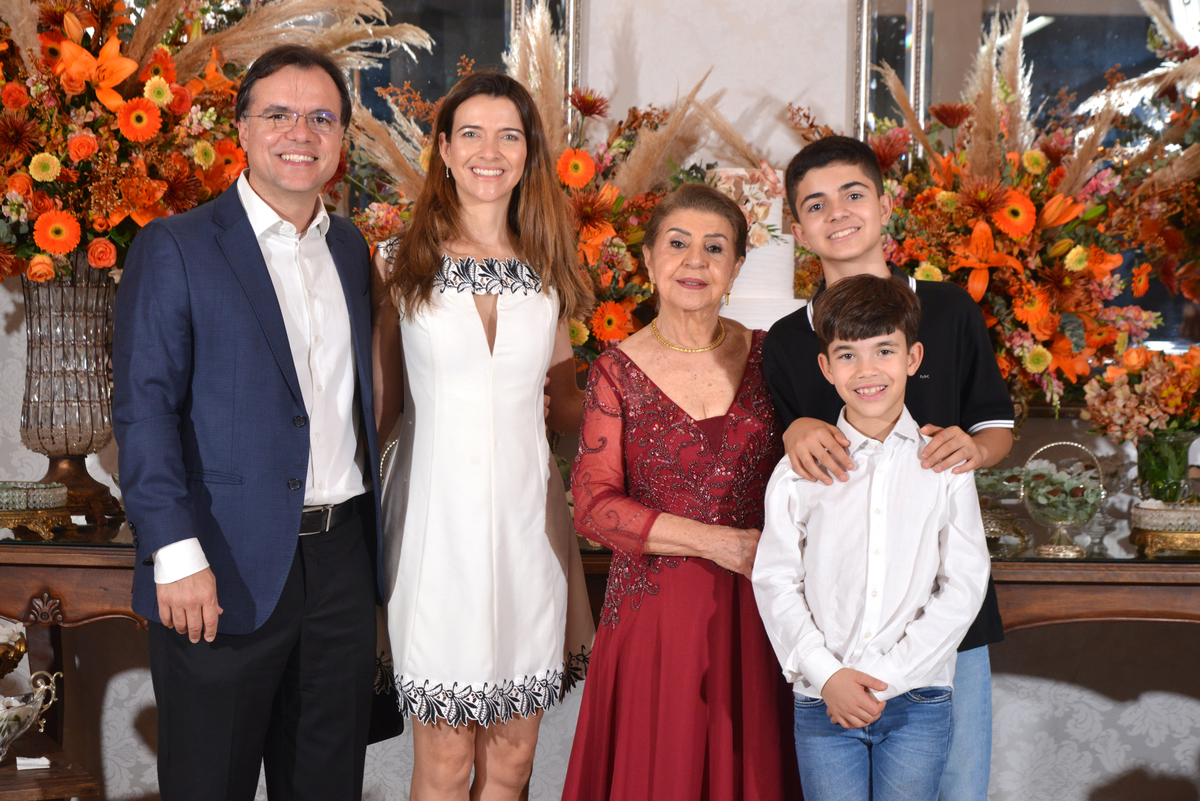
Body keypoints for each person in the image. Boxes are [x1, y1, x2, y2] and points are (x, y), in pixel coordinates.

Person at [113, 45, 380, 800]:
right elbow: (143, 409)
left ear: (341, 136)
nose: (301, 132)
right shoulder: (176, 246)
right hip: (218, 563)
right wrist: (173, 551)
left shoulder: (350, 249)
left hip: (341, 564)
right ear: (242, 128)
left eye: (321, 117)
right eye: (279, 114)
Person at [762, 135, 1013, 800]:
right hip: (837, 632)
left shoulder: (949, 309)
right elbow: (789, 463)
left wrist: (971, 451)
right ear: (798, 229)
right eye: (816, 204)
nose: (837, 213)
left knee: (957, 784)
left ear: (884, 204)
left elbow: (993, 427)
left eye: (853, 194)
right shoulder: (786, 340)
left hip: (942, 619)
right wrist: (794, 427)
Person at [373, 70, 594, 800]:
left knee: (513, 759)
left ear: (529, 153)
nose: (489, 151)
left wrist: (651, 392)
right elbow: (378, 408)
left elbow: (566, 405)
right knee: (443, 763)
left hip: (529, 531)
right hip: (436, 536)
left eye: (508, 136)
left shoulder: (550, 269)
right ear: (443, 148)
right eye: (471, 133)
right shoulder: (397, 263)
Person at [562, 182, 801, 800]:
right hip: (658, 621)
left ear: (737, 267)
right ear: (647, 259)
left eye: (715, 247)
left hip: (766, 611)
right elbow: (593, 507)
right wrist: (718, 543)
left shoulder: (772, 356)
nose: (695, 261)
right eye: (677, 244)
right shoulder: (614, 371)